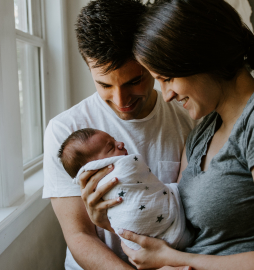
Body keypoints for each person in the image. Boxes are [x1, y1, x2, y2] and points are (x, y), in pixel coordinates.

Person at [94, 0, 254, 269]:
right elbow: (176, 221)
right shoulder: (204, 129)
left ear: (203, 57)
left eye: (168, 78)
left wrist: (174, 259)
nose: (166, 96)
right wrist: (111, 217)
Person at [42, 0, 195, 269]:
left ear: (151, 62)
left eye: (134, 81)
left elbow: (188, 216)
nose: (121, 99)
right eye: (104, 84)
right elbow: (79, 235)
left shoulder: (187, 120)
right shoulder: (65, 131)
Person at [58, 128, 193, 251]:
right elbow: (78, 236)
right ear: (96, 166)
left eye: (114, 140)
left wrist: (106, 223)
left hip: (147, 250)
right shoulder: (61, 128)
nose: (120, 143)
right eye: (111, 147)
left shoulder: (186, 123)